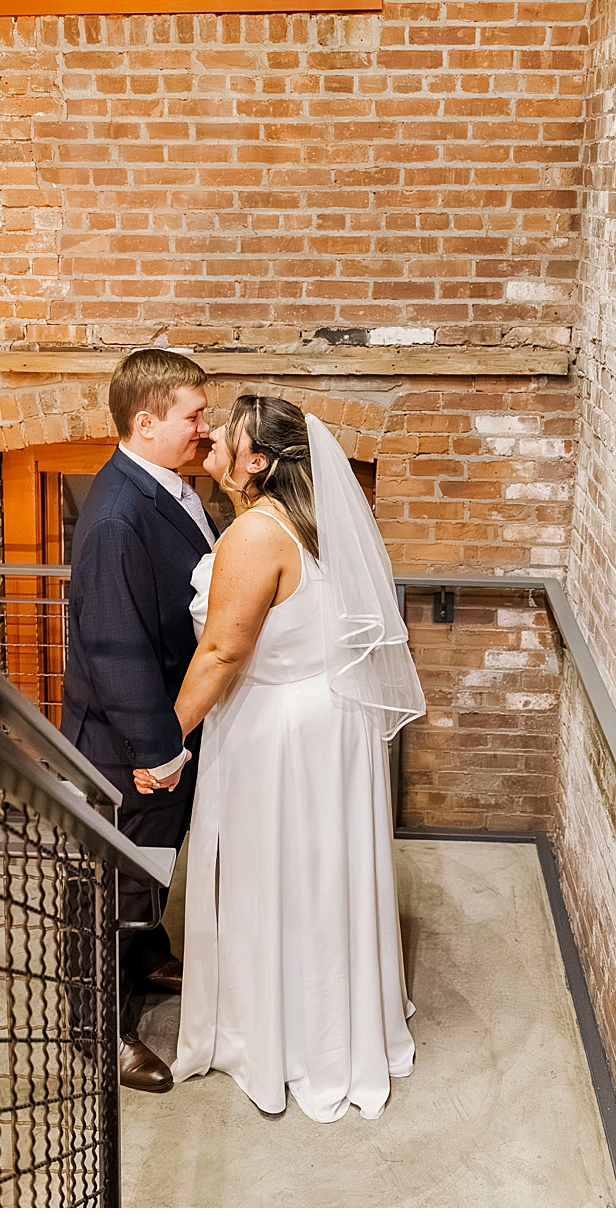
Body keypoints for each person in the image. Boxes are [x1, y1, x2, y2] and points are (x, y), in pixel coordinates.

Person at [132, 394, 422, 1122]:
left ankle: (287, 1040)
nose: (213, 436)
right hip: (330, 720)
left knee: (279, 874)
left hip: (284, 729)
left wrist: (166, 742)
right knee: (319, 874)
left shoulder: (258, 533)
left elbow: (225, 650)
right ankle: (326, 1020)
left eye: (226, 431)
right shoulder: (311, 522)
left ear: (255, 461)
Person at [61, 349, 216, 1094]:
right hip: (128, 745)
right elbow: (116, 647)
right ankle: (103, 1031)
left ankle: (149, 957)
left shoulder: (168, 487)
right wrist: (159, 750)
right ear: (146, 421)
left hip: (166, 727)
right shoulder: (118, 517)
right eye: (193, 415)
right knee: (113, 886)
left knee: (150, 873)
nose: (205, 428)